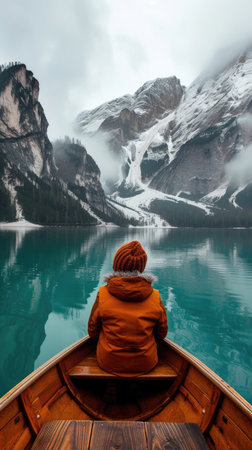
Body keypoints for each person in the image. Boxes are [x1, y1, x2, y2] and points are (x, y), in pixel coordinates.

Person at [88, 240, 168, 377]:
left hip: (109, 362)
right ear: (141, 268)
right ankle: (137, 388)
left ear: (116, 265)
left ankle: (111, 386)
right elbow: (162, 334)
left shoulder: (102, 294)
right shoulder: (155, 297)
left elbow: (92, 332)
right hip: (146, 363)